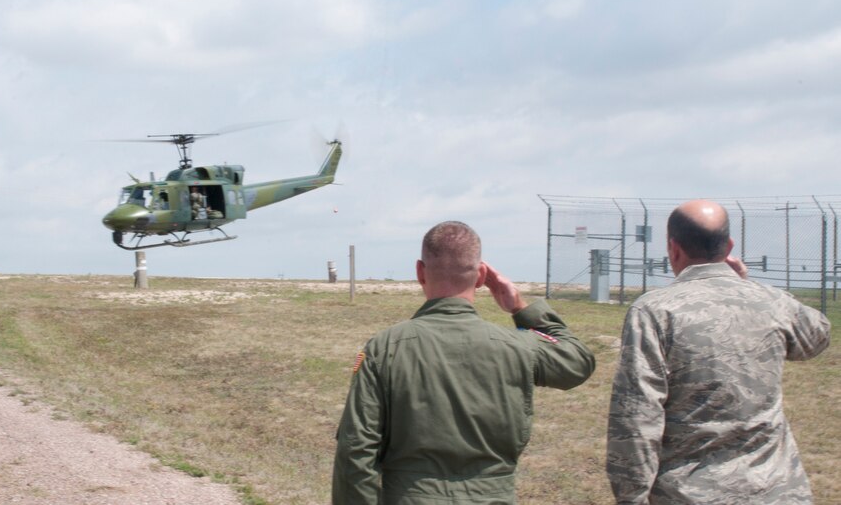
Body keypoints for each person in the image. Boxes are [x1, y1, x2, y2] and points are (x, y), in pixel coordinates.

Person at [332, 221, 596, 504]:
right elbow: (577, 361)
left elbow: (356, 449)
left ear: (420, 272)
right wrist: (521, 307)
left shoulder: (385, 348)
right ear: (481, 275)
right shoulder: (518, 347)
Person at [607, 199, 831, 505]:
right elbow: (816, 337)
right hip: (778, 490)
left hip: (691, 493)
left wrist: (631, 496)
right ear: (728, 247)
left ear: (674, 248)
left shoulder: (655, 311)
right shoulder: (772, 302)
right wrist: (748, 287)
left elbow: (636, 415)